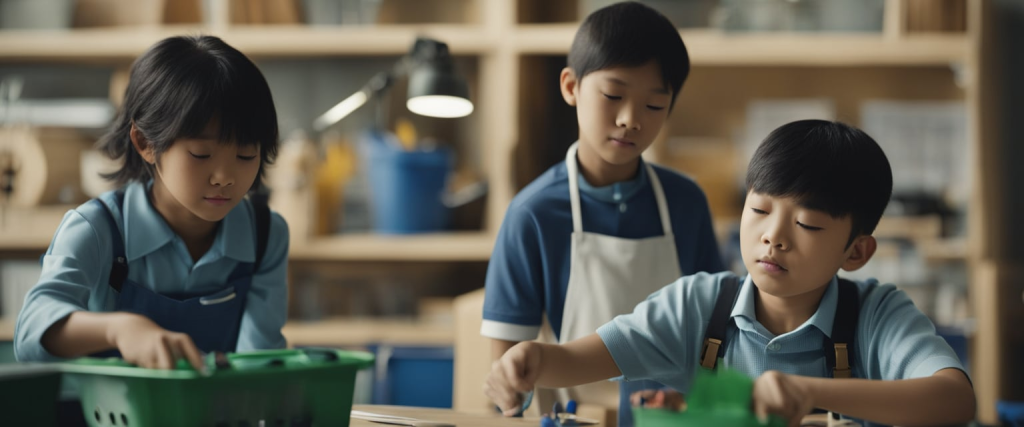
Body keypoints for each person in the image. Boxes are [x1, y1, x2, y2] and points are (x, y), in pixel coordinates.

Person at [485, 120, 976, 427]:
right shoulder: (698, 306)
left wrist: (809, 391)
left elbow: (954, 401)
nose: (773, 236)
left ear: (856, 251)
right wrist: (530, 360)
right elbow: (580, 358)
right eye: (759, 210)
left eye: (806, 223)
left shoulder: (876, 315)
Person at [480, 2, 724, 425]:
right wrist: (507, 390)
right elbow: (507, 376)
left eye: (653, 106)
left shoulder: (686, 203)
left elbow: (716, 335)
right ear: (571, 86)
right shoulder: (533, 214)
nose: (630, 120)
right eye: (613, 95)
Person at [14, 35, 288, 372]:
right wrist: (119, 329)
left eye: (246, 155)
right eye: (201, 154)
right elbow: (29, 335)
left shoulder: (264, 235)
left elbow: (258, 363)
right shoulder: (98, 230)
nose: (224, 177)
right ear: (146, 143)